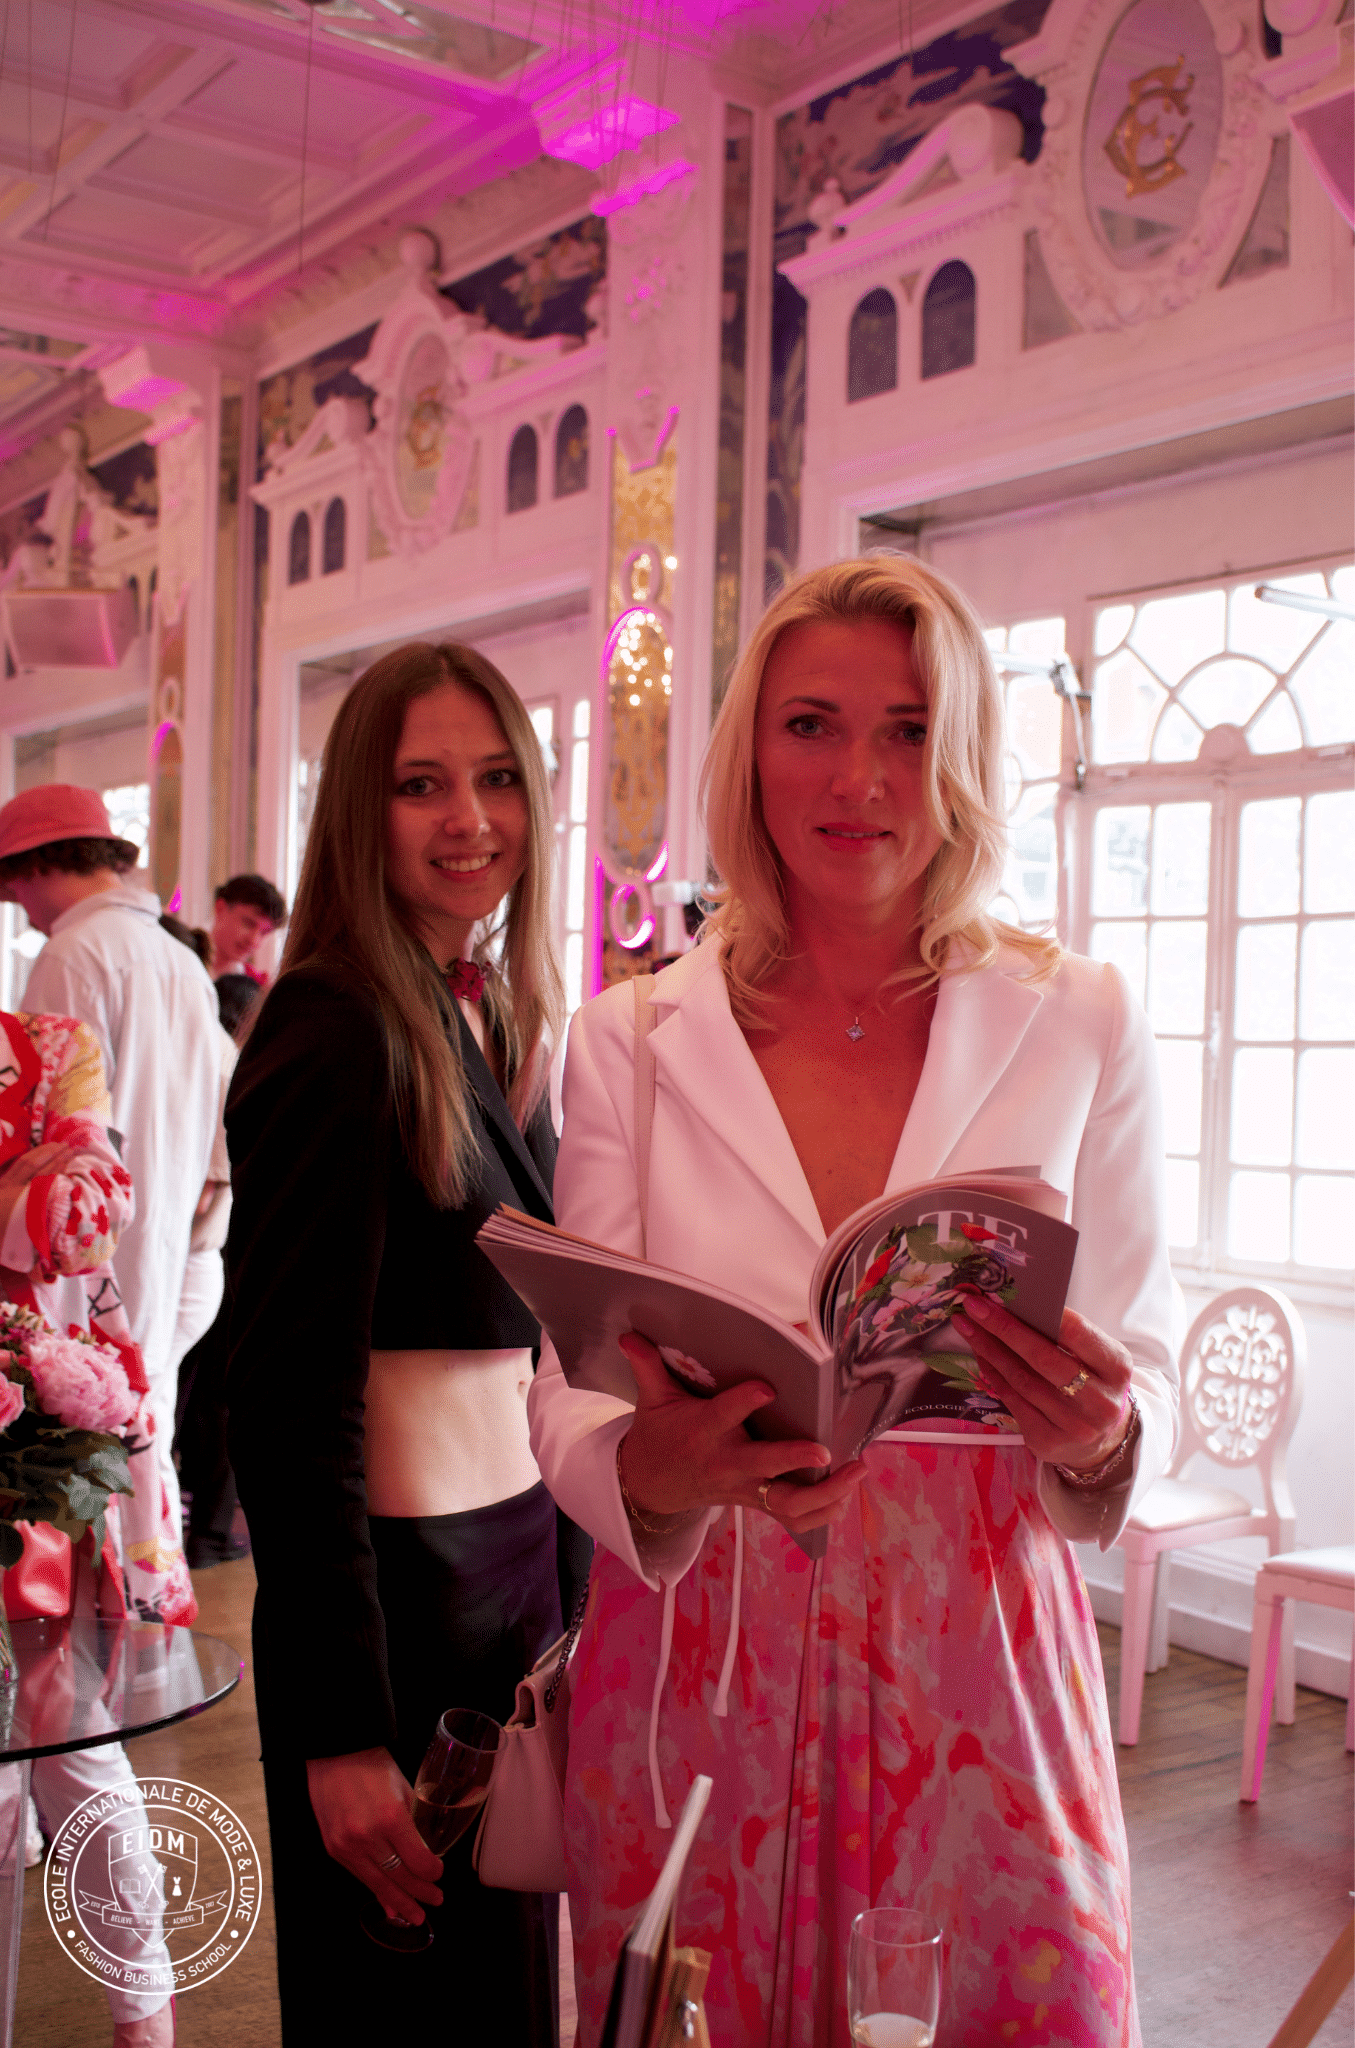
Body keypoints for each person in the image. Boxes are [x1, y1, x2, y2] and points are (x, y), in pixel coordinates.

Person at [529, 557, 1178, 2047]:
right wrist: (647, 1465)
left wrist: (1100, 1434)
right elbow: (568, 1385)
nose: (858, 779)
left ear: (965, 755)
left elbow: (1141, 1349)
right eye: (811, 723)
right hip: (704, 1644)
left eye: (909, 729)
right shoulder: (629, 1038)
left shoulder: (1080, 1015)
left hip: (983, 1645)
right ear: (749, 748)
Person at [225, 642, 581, 2045]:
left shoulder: (482, 1011)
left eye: (497, 778)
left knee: (497, 2000)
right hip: (400, 1620)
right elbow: (287, 1397)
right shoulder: (335, 1024)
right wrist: (339, 1730)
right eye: (421, 784)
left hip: (508, 1590)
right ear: (358, 810)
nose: (469, 818)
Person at [0, 995, 178, 2048]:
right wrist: (17, 1193)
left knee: (68, 1735)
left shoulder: (52, 1046)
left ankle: (144, 2016)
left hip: (28, 1445)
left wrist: (40, 1200)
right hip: (31, 1417)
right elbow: (49, 1212)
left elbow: (86, 1216)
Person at [0, 784, 225, 1623]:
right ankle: (148, 1627)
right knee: (140, 1442)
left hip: (87, 1257)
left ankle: (107, 1633)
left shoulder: (73, 955)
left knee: (90, 1465)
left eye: (15, 882)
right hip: (178, 1240)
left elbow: (44, 1144)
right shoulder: (180, 958)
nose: (18, 907)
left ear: (38, 865)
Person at [199, 872, 287, 983]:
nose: (253, 940)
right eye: (248, 923)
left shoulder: (258, 986)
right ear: (220, 908)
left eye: (264, 932)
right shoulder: (182, 959)